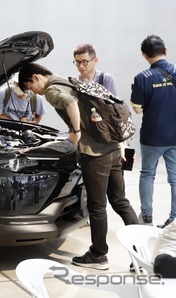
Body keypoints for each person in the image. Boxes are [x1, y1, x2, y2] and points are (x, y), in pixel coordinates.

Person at [19, 63, 139, 270]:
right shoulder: (69, 81)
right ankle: (140, 252)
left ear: (36, 77)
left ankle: (98, 254)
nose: (33, 93)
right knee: (120, 201)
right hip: (111, 148)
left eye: (30, 88)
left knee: (97, 206)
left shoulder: (52, 90)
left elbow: (71, 104)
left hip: (95, 155)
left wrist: (76, 132)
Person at [131, 35, 176, 229]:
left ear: (144, 55)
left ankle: (146, 217)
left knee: (147, 175)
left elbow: (138, 109)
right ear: (165, 51)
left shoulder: (142, 78)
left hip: (152, 135)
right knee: (174, 178)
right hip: (175, 135)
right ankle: (174, 218)